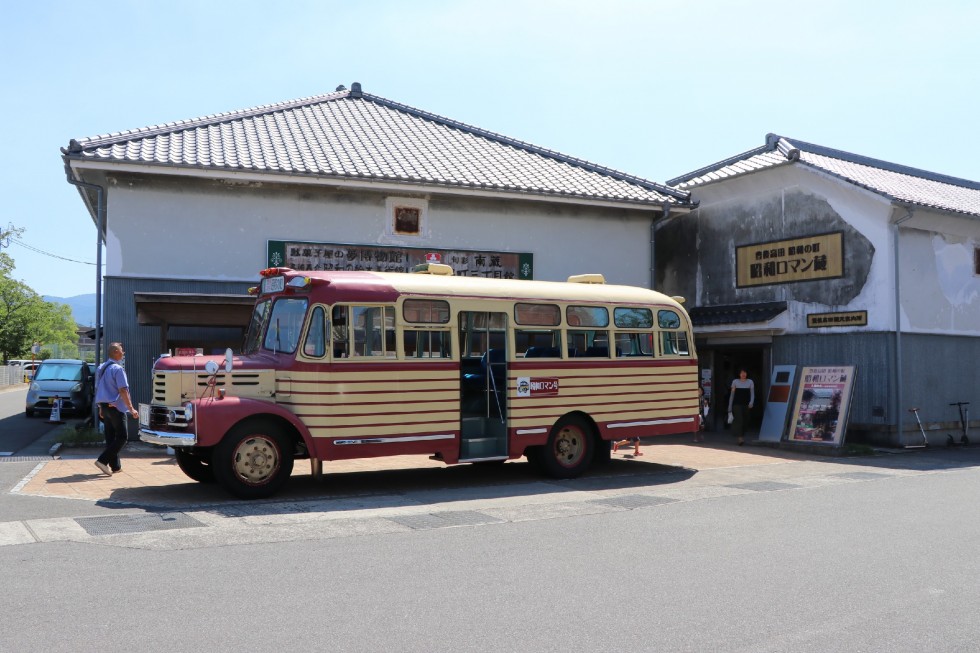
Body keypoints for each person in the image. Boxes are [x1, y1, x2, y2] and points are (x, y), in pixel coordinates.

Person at [93, 342, 138, 476]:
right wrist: (131, 408)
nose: (123, 353)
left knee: (110, 437)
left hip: (105, 406)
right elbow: (123, 390)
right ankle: (102, 460)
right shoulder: (118, 369)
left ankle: (115, 466)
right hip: (116, 407)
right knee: (122, 437)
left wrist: (101, 407)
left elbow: (98, 388)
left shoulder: (101, 368)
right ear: (115, 352)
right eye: (122, 351)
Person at [727, 368, 754, 446]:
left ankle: (741, 435)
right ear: (738, 374)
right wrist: (729, 406)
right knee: (739, 420)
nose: (743, 374)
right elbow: (732, 395)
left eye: (745, 372)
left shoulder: (750, 382)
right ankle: (740, 438)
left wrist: (751, 402)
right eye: (741, 372)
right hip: (737, 404)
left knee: (745, 421)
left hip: (746, 405)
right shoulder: (735, 382)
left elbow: (752, 393)